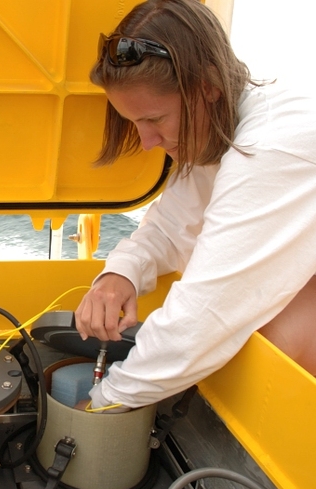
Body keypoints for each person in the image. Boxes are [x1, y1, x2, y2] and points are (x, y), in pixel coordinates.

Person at [75, 0, 316, 411]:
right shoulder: (216, 127)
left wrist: (101, 406)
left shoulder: (270, 148)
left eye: (154, 120)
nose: (148, 142)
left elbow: (207, 313)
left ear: (207, 87)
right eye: (135, 123)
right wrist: (120, 275)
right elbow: (171, 228)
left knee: (270, 337)